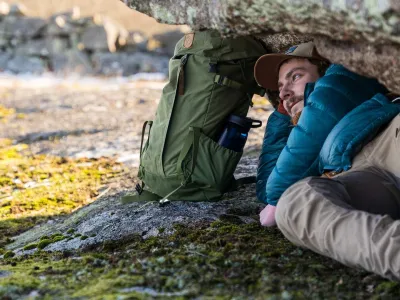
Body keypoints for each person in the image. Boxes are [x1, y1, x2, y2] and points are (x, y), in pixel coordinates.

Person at [254, 41, 400, 280]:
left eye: (295, 76)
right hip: (365, 173)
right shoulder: (309, 145)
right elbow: (268, 193)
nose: (283, 92)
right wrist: (283, 113)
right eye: (280, 88)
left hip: (390, 140)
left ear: (324, 72)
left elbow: (329, 100)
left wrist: (276, 195)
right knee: (295, 205)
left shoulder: (342, 79)